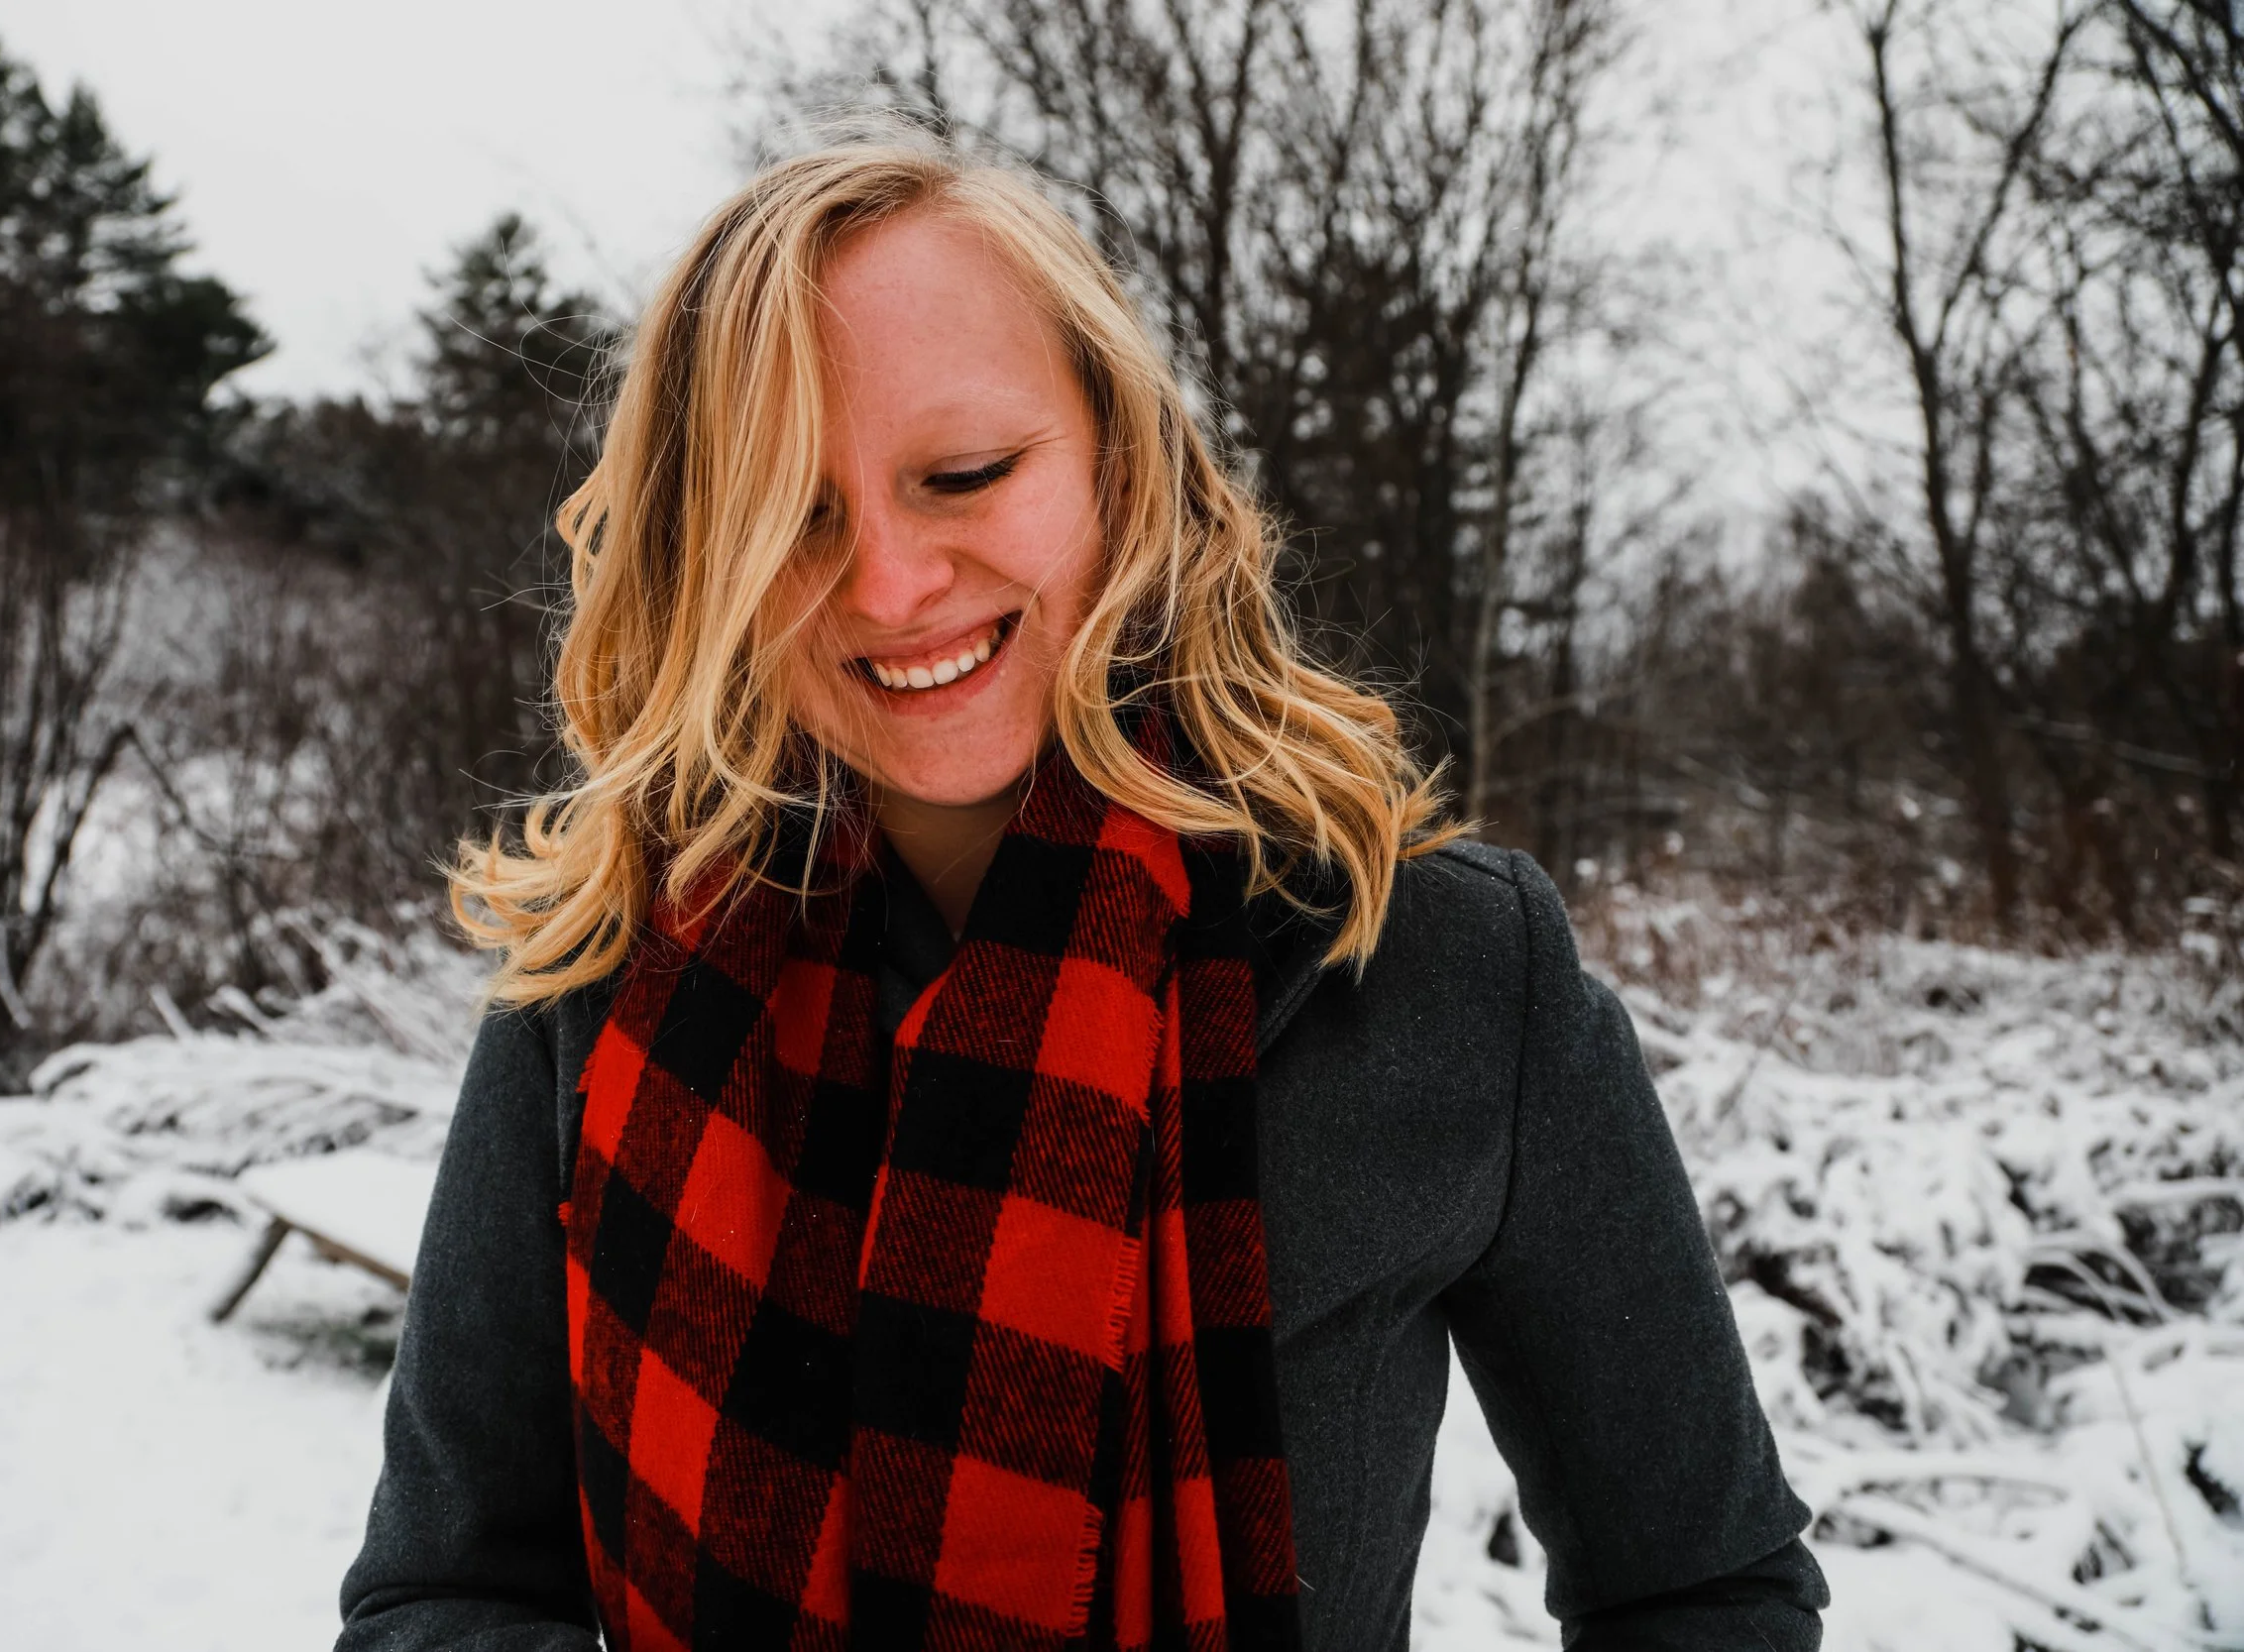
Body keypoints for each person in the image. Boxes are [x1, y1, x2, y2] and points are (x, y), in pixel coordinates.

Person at [336, 138, 1828, 1652]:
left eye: (967, 474)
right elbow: (441, 1592)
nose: (890, 585)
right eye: (795, 514)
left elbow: (1702, 1587)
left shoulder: (1444, 968)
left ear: (1121, 457)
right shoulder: (606, 973)